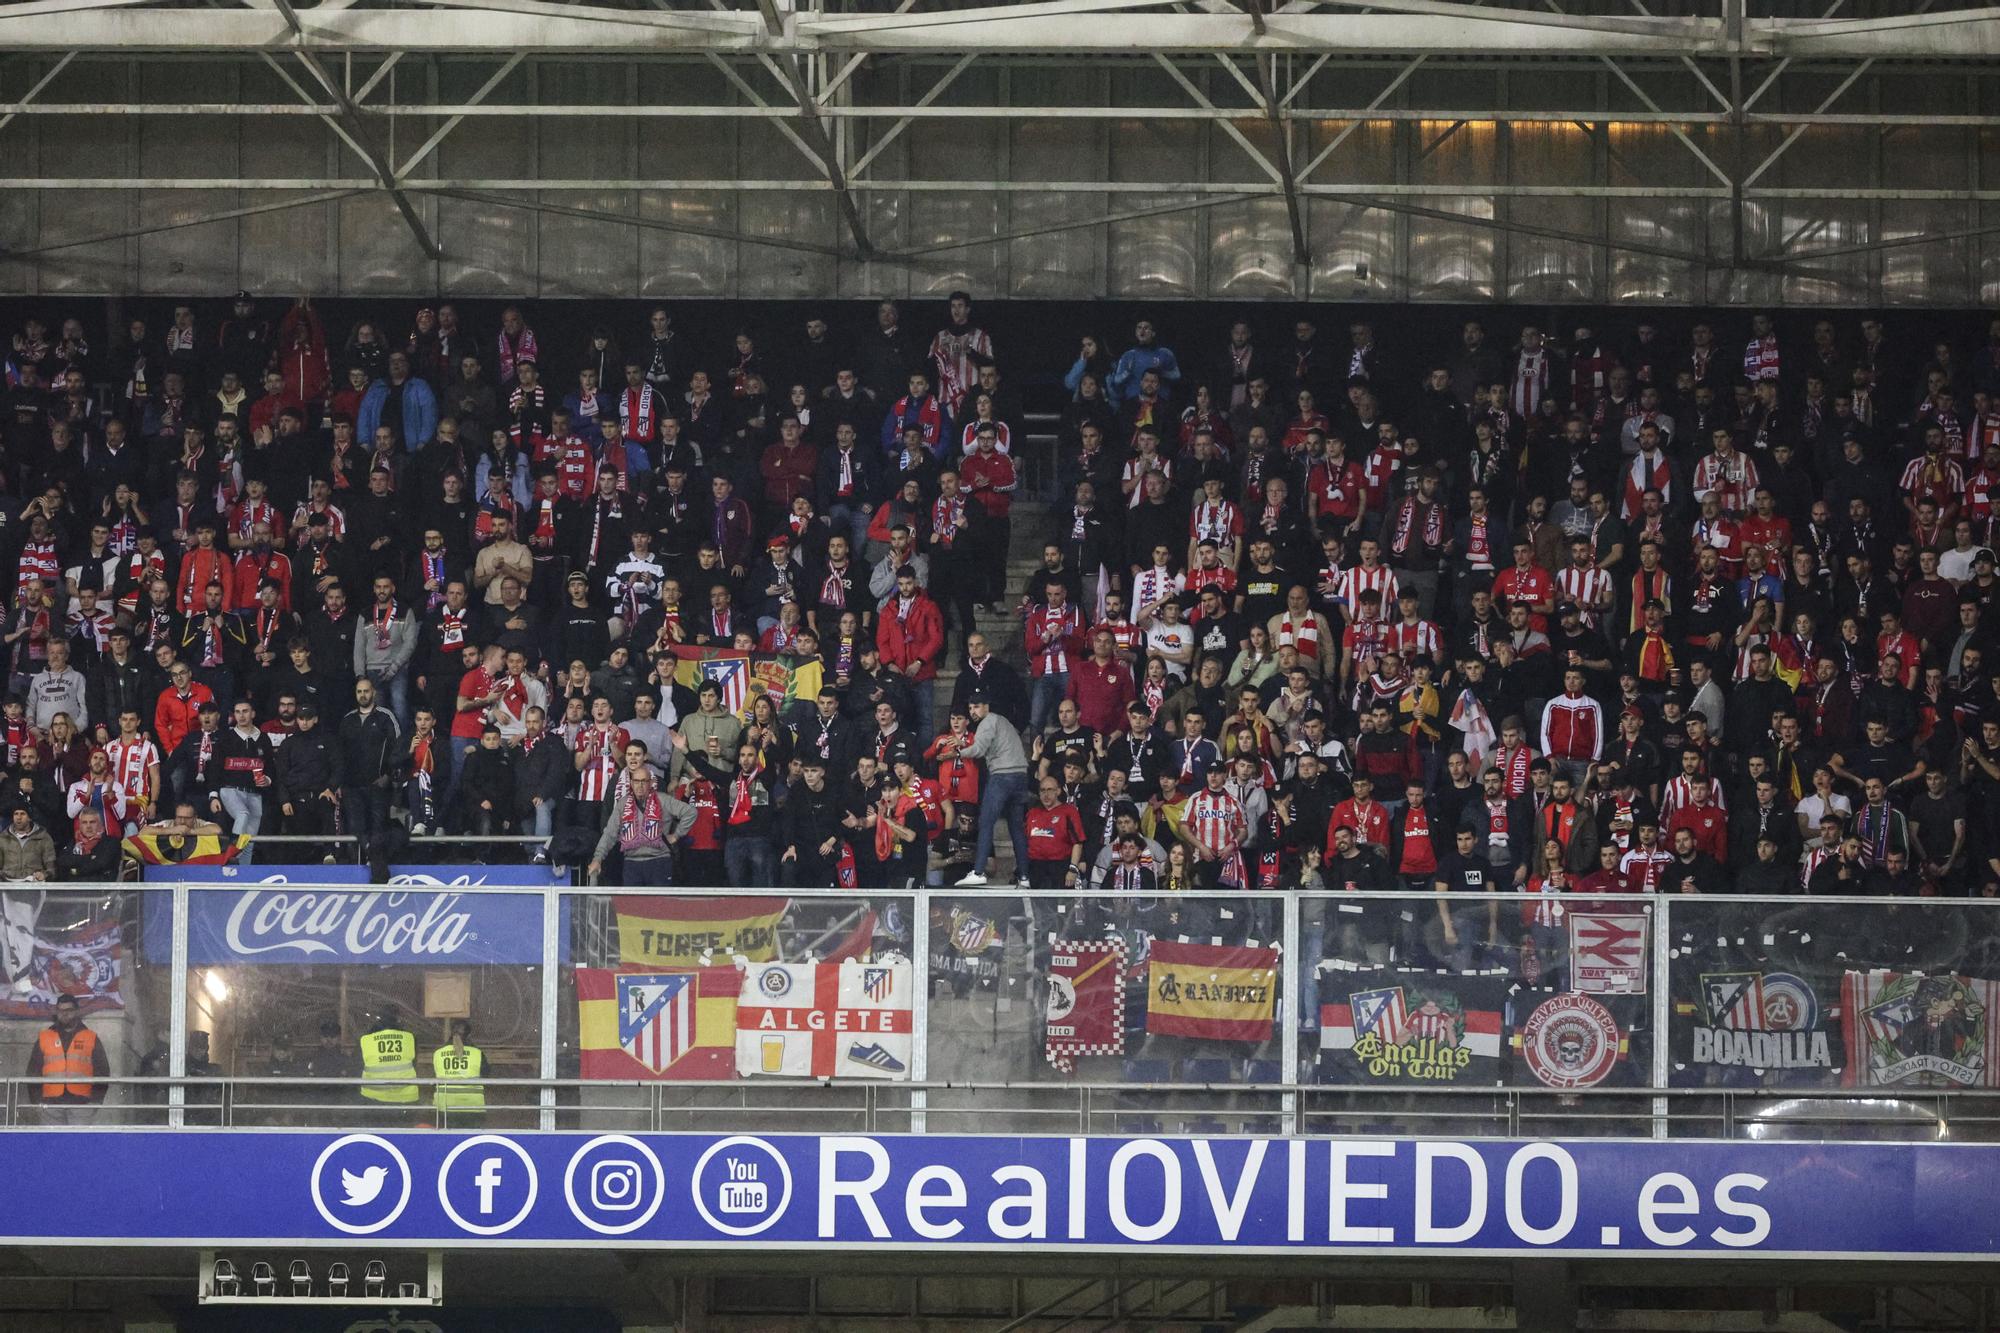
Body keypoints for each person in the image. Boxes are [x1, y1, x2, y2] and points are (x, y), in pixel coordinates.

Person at [589, 765, 698, 886]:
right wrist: (597, 859)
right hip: (632, 863)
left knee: (659, 904)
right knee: (634, 905)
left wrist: (676, 835)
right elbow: (609, 833)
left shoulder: (663, 800)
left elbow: (690, 812)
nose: (639, 785)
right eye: (636, 781)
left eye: (643, 781)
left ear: (650, 783)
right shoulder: (623, 804)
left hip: (659, 861)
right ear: (631, 783)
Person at [27, 994, 109, 1124]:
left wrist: (96, 1101)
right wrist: (36, 1102)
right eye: (60, 1011)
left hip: (82, 1104)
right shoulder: (44, 1037)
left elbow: (103, 1071)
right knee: (52, 1144)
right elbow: (33, 1071)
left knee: (78, 1143)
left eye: (69, 1011)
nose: (64, 1014)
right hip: (50, 1105)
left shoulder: (91, 1037)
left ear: (77, 1011)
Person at [357, 1008, 418, 1111]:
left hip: (373, 1098)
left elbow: (358, 1065)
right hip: (405, 1097)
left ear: (378, 1019)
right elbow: (414, 1063)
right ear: (398, 1019)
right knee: (404, 1127)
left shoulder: (366, 1039)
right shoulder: (409, 1038)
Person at [432, 1019, 484, 1119]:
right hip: (472, 1106)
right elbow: (486, 1073)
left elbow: (434, 1076)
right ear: (468, 1035)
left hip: (445, 1107)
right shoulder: (477, 1053)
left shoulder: (438, 1053)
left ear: (451, 1033)